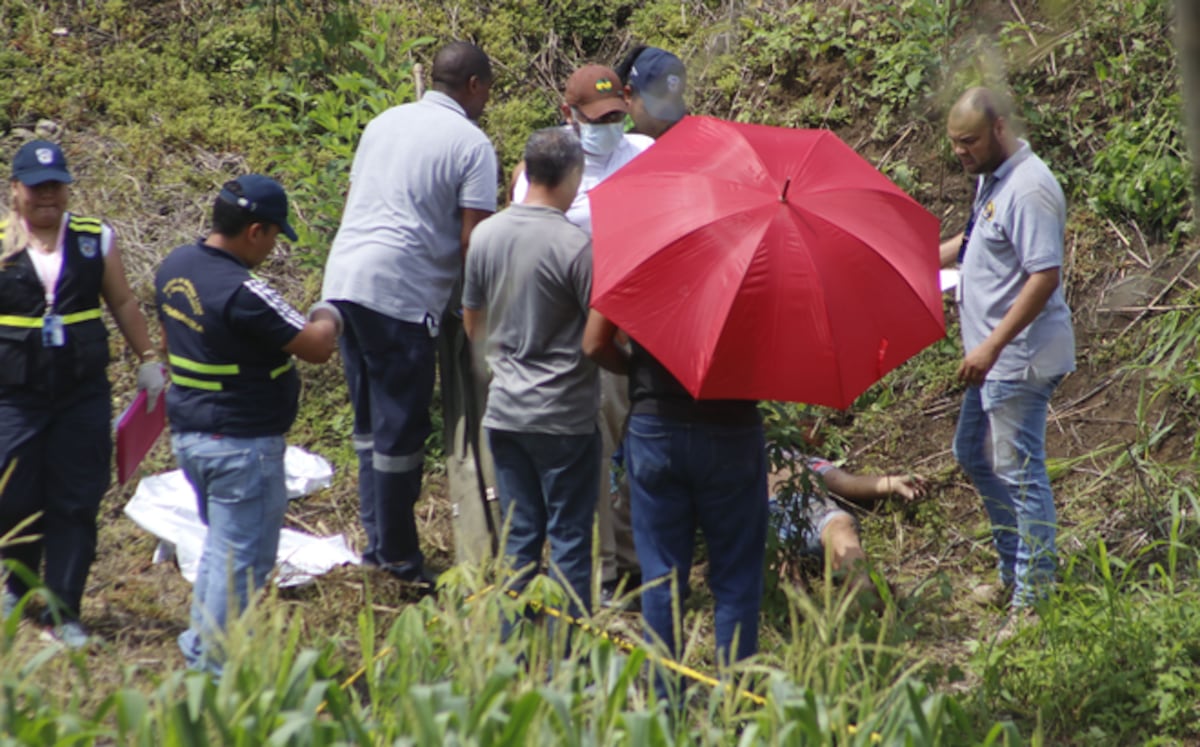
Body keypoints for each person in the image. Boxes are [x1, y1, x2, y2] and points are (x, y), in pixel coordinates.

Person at [321, 42, 498, 586]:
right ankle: (397, 560)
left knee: (369, 424)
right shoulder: (472, 144)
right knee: (400, 432)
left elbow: (357, 200)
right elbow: (475, 244)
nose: (488, 100)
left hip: (346, 282)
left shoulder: (385, 122)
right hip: (401, 294)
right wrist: (476, 319)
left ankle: (378, 545)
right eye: (488, 89)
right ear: (472, 85)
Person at [157, 174, 340, 673]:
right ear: (255, 230)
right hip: (243, 447)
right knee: (244, 566)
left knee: (220, 549)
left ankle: (200, 645)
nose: (274, 245)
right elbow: (317, 346)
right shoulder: (243, 291)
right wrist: (330, 310)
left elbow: (169, 342)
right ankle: (214, 673)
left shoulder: (176, 267)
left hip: (192, 438)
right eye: (276, 234)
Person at [0, 140, 163, 647]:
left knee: (75, 501)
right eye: (35, 186)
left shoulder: (96, 238)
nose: (47, 196)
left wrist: (148, 360)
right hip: (15, 394)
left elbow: (123, 300)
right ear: (15, 190)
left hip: (80, 393)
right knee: (14, 494)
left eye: (56, 185)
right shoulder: (2, 242)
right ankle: (16, 584)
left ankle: (62, 611)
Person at [511, 62, 655, 605]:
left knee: (635, 440)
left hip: (634, 321)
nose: (607, 125)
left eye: (616, 114)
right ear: (569, 115)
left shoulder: (644, 153)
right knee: (591, 451)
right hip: (571, 329)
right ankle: (603, 566)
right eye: (596, 118)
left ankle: (636, 554)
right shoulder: (546, 170)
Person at [938, 87, 1074, 619]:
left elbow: (1044, 276)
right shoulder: (992, 182)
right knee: (972, 453)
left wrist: (992, 346)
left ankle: (1033, 601)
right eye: (954, 145)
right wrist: (919, 257)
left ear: (999, 129)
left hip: (1017, 358)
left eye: (969, 142)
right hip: (992, 359)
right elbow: (973, 241)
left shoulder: (1030, 188)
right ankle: (1012, 567)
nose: (961, 153)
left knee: (1020, 472)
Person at [583, 312, 768, 696]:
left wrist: (637, 375)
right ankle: (735, 708)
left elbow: (593, 343)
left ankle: (665, 707)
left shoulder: (646, 254)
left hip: (657, 427)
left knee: (661, 578)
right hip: (733, 429)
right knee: (736, 581)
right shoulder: (762, 262)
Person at [463, 127, 597, 623]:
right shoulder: (575, 246)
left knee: (520, 536)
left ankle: (510, 652)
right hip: (564, 416)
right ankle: (568, 656)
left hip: (505, 412)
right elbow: (600, 336)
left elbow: (472, 323)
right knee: (569, 538)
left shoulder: (486, 235)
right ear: (573, 177)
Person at [771, 455, 926, 588]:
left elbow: (844, 482)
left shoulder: (791, 456)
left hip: (810, 507)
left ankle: (863, 590)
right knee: (775, 553)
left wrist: (891, 483)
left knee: (840, 524)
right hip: (763, 519)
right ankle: (795, 603)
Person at [614, 45, 689, 139]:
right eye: (656, 110)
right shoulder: (610, 140)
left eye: (671, 112)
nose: (665, 122)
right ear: (628, 95)